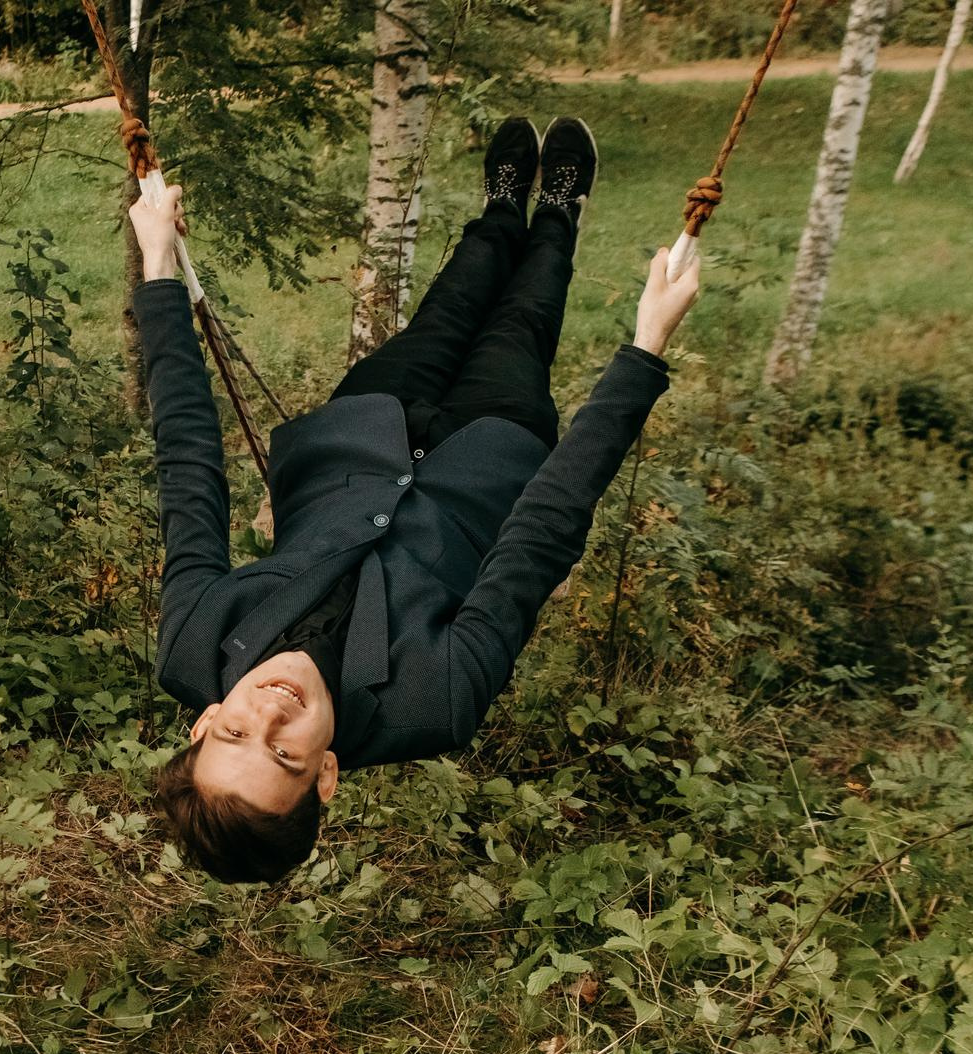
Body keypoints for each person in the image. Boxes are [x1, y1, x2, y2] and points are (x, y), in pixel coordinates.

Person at [132, 115, 703, 884]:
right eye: (283, 752)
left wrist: (161, 270)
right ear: (325, 775)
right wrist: (643, 351)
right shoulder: (433, 702)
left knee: (456, 296)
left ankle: (504, 205)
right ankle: (560, 213)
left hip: (362, 427)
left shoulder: (195, 641)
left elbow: (188, 465)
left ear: (203, 723)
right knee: (525, 314)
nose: (269, 709)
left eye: (234, 731)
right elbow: (538, 539)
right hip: (490, 450)